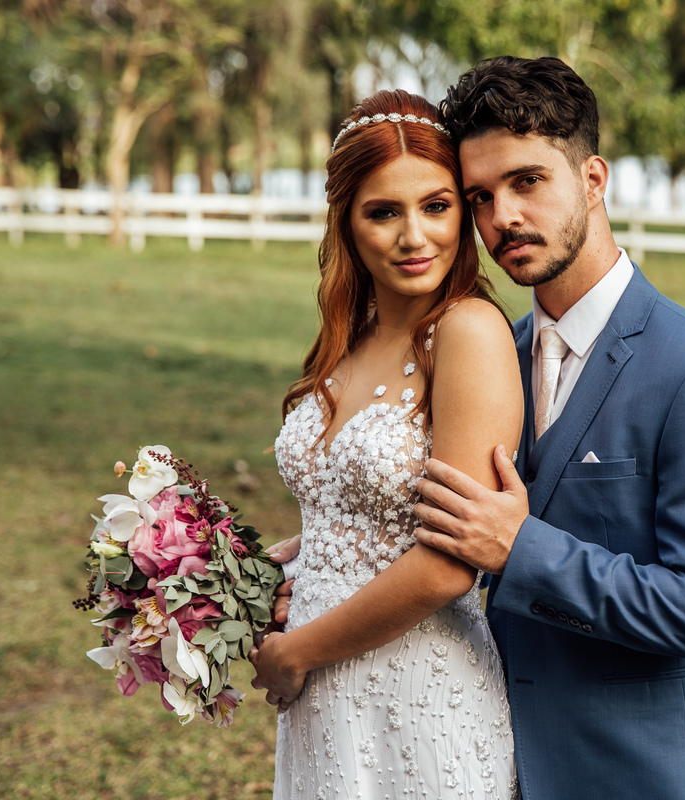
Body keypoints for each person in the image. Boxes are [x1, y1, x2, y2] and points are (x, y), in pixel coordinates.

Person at [410, 57, 685, 799]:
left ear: (594, 179)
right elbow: (440, 525)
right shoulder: (492, 358)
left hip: (651, 778)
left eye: (526, 181)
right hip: (502, 765)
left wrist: (524, 550)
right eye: (479, 197)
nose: (500, 218)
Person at [249, 89, 522, 800]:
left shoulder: (468, 332)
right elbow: (360, 514)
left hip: (420, 688)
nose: (414, 237)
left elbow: (448, 565)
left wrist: (292, 653)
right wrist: (287, 563)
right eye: (383, 212)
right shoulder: (350, 339)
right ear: (347, 223)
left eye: (435, 206)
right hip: (325, 696)